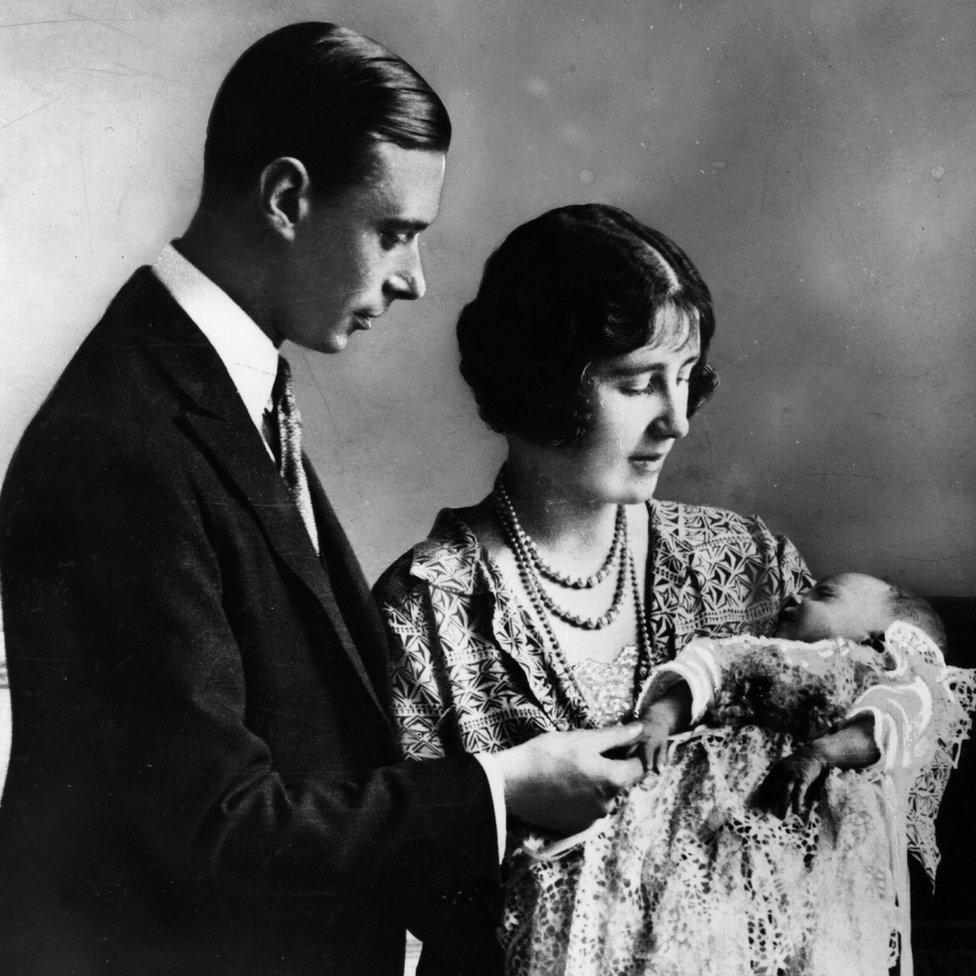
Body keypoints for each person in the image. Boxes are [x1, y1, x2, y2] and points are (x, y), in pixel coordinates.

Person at [0, 25, 646, 976]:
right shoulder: (123, 440)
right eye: (394, 232)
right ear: (288, 197)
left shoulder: (219, 392)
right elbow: (220, 832)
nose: (413, 279)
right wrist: (500, 790)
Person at [374, 203, 814, 972]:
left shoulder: (748, 565)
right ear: (541, 382)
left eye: (685, 379)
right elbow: (400, 913)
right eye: (638, 384)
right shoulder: (426, 612)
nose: (676, 420)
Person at [531, 573, 976, 976]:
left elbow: (886, 726)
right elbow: (707, 671)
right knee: (691, 901)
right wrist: (660, 721)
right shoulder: (760, 651)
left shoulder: (880, 673)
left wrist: (820, 754)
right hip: (710, 804)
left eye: (823, 594)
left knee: (808, 930)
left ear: (876, 637)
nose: (792, 597)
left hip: (811, 813)